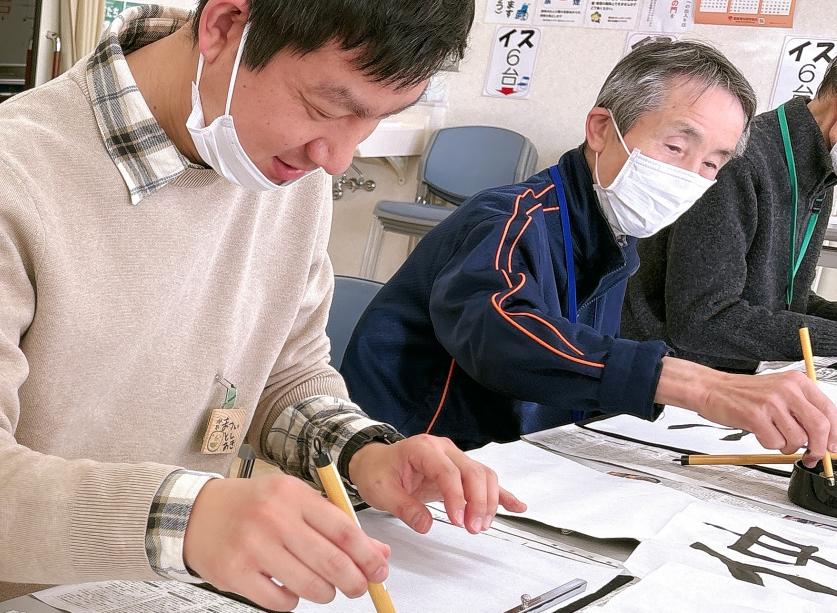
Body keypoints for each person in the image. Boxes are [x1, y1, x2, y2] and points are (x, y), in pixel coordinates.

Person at [0, 0, 520, 613]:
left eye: (376, 120)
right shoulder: (3, 172)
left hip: (149, 600)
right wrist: (189, 516)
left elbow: (285, 377)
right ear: (225, 26)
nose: (337, 157)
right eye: (328, 106)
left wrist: (365, 452)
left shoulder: (288, 172)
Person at [342, 39, 837, 456]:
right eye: (675, 147)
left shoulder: (613, 236)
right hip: (413, 462)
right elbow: (500, 335)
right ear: (601, 129)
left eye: (711, 163)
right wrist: (701, 386)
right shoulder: (511, 219)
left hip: (515, 460)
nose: (689, 177)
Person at [622, 59, 837, 367]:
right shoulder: (741, 161)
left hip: (725, 369)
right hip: (664, 370)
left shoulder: (817, 174)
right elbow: (703, 318)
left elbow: (786, 299)